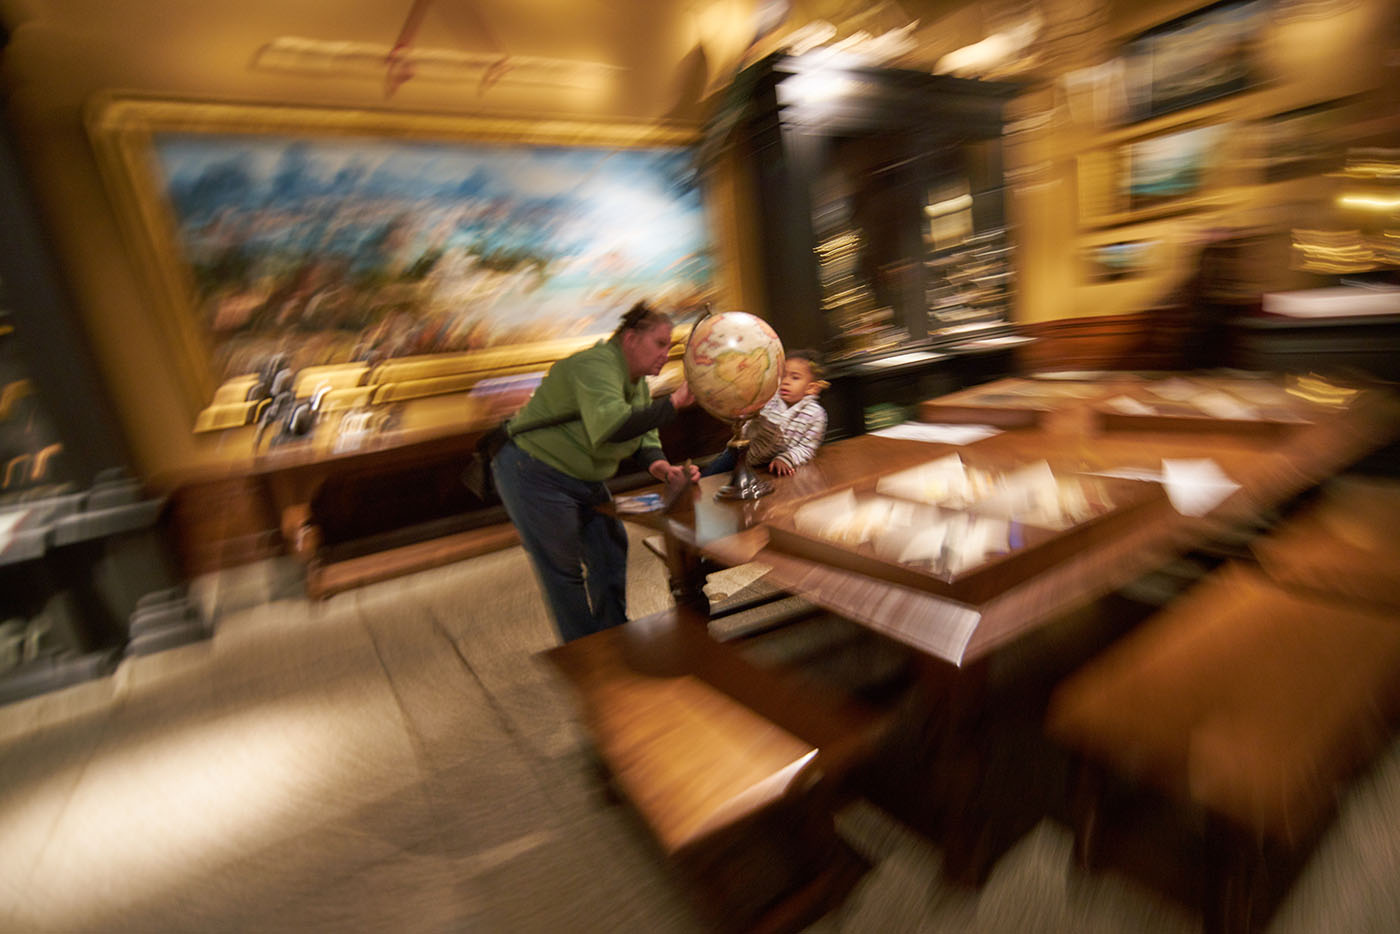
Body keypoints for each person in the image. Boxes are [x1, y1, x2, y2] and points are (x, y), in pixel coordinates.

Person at [492, 302, 701, 643]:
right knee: (563, 569)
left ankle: (613, 636)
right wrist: (675, 403)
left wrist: (663, 468)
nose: (666, 353)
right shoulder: (594, 365)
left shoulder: (636, 382)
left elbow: (641, 438)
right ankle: (587, 655)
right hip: (534, 470)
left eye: (670, 346)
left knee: (608, 548)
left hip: (582, 477)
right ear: (631, 338)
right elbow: (612, 425)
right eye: (660, 343)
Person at [701, 348, 829, 479]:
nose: (785, 381)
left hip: (767, 465)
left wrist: (786, 459)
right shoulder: (769, 398)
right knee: (708, 478)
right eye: (783, 375)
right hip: (739, 455)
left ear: (812, 388)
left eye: (795, 377)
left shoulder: (816, 415)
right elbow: (749, 421)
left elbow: (806, 447)